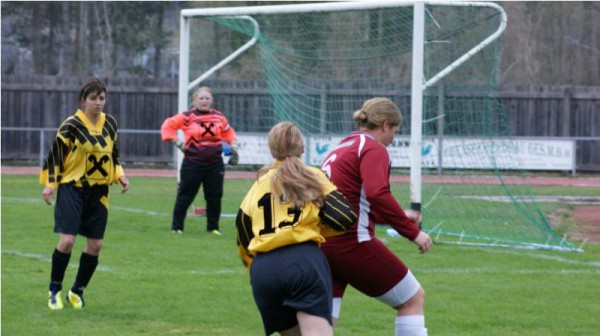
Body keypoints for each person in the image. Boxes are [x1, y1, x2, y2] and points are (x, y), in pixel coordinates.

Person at [320, 97, 433, 336]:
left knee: (322, 324)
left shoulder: (341, 147)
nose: (394, 138)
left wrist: (399, 215)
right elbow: (377, 193)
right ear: (384, 125)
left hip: (323, 244)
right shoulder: (373, 148)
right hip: (352, 243)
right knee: (412, 298)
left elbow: (355, 201)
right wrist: (414, 233)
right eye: (395, 130)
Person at [236, 122, 357, 336]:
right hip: (302, 261)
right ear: (302, 148)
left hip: (263, 270)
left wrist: (255, 272)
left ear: (272, 150)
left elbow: (243, 235)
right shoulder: (312, 176)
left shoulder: (257, 186)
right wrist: (314, 227)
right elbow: (344, 217)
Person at [40, 77, 130, 310]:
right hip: (72, 188)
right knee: (68, 240)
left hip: (99, 192)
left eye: (101, 98)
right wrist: (50, 184)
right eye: (93, 98)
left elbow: (113, 155)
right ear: (83, 100)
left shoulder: (110, 124)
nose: (98, 103)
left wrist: (120, 174)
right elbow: (56, 156)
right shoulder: (71, 125)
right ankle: (54, 290)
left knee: (96, 245)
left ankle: (76, 291)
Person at [160, 86, 239, 235]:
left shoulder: (219, 117)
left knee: (215, 196)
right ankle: (177, 228)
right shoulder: (187, 116)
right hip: (192, 163)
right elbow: (167, 126)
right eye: (201, 98)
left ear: (211, 100)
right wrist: (178, 142)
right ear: (195, 100)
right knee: (185, 195)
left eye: (207, 98)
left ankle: (213, 228)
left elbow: (229, 133)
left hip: (215, 164)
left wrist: (234, 146)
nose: (204, 101)